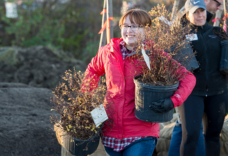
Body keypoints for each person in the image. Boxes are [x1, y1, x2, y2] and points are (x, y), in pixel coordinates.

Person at [82, 8, 196, 156]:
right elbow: (92, 70)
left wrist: (174, 101)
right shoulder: (107, 52)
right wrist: (86, 97)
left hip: (141, 132)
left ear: (147, 30)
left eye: (136, 26)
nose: (130, 30)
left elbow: (188, 77)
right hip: (110, 131)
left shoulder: (154, 54)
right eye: (126, 26)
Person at [168, 0, 226, 156]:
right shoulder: (181, 36)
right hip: (192, 92)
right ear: (188, 14)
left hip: (218, 91)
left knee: (213, 136)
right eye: (195, 12)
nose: (200, 15)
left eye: (202, 11)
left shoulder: (218, 32)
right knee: (191, 135)